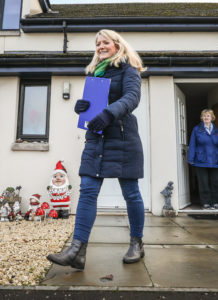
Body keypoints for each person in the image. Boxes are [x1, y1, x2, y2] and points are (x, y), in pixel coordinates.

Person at [47, 29, 146, 270]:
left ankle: (137, 244)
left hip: (122, 138)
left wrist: (108, 113)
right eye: (97, 43)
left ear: (117, 44)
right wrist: (82, 107)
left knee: (130, 192)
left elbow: (132, 97)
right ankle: (77, 251)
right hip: (96, 138)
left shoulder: (128, 68)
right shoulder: (96, 72)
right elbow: (94, 105)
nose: (100, 46)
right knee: (88, 190)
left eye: (105, 42)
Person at [187, 108, 218, 210]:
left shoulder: (217, 130)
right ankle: (205, 203)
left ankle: (215, 202)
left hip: (215, 160)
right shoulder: (197, 129)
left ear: (212, 117)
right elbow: (192, 144)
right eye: (204, 116)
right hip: (201, 160)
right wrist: (190, 158)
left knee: (215, 182)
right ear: (201, 118)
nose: (206, 117)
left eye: (208, 116)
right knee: (203, 182)